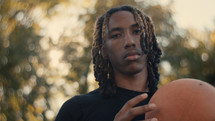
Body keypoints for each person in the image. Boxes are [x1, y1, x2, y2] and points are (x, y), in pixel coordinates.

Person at [55, 5, 162, 121]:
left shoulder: (174, 102)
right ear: (104, 49)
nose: (129, 42)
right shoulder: (77, 109)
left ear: (150, 40)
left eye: (137, 31)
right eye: (116, 35)